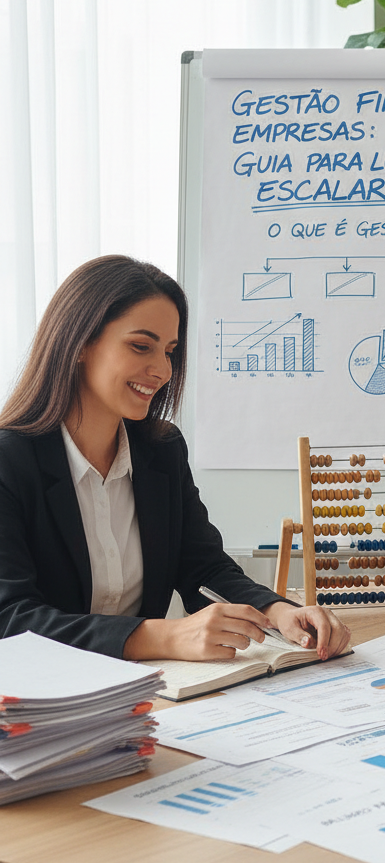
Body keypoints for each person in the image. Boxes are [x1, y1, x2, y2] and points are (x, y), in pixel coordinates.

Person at [0, 255, 350, 662]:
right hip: (39, 702)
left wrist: (279, 611)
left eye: (169, 350)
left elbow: (204, 568)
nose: (163, 370)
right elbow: (12, 618)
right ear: (78, 343)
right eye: (140, 346)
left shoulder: (162, 450)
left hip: (145, 695)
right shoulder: (11, 463)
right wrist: (165, 637)